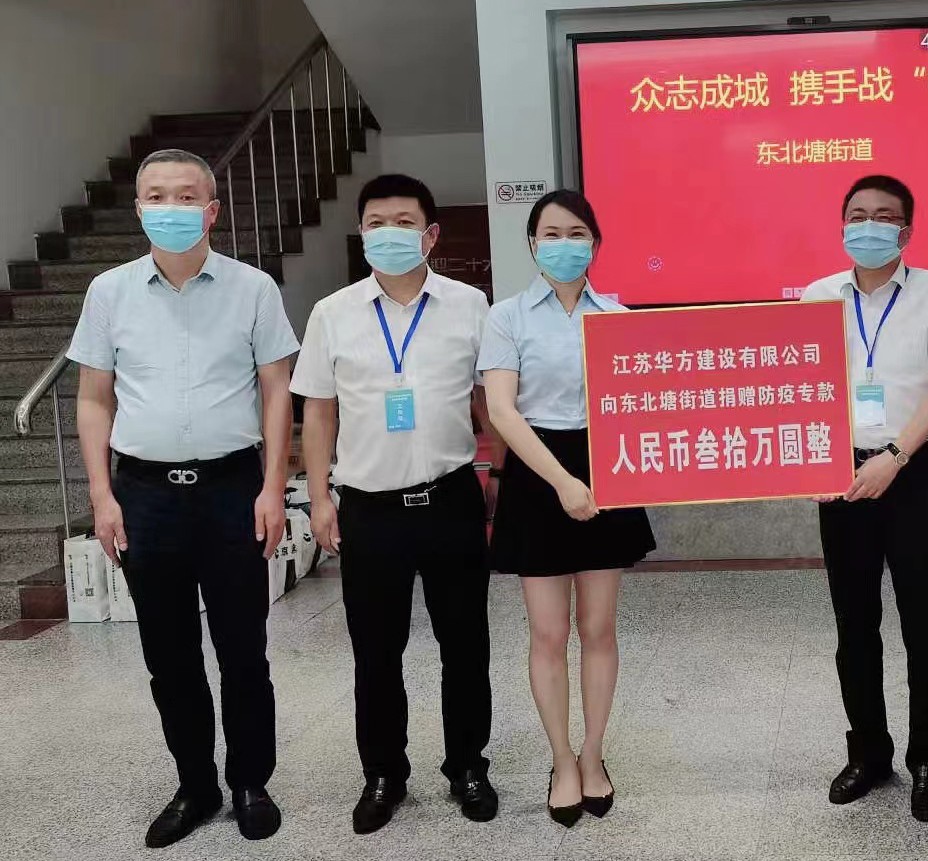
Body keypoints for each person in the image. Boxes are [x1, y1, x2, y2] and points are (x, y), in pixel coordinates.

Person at [69, 148, 298, 848]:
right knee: (169, 655)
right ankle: (195, 784)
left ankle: (250, 781)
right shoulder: (108, 292)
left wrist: (272, 486)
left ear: (212, 210)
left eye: (187, 196)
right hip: (144, 494)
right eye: (158, 196)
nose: (172, 208)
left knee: (243, 649)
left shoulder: (253, 288)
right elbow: (93, 397)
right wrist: (102, 495)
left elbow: (276, 390)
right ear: (140, 209)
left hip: (232, 488)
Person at [290, 174, 500, 834]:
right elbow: (317, 413)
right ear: (361, 234)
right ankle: (383, 774)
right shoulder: (332, 313)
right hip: (369, 508)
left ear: (430, 235)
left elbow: (490, 399)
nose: (389, 233)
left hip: (451, 498)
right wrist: (319, 496)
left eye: (404, 222)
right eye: (376, 222)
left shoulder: (470, 305)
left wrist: (501, 468)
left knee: (465, 645)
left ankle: (467, 766)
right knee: (375, 652)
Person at [478, 189, 656, 828]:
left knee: (599, 628)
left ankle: (594, 753)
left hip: (608, 464)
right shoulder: (507, 317)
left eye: (576, 233)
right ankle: (560, 760)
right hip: (538, 472)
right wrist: (561, 482)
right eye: (550, 234)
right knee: (549, 633)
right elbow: (502, 411)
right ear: (532, 245)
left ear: (596, 244)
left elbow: (643, 400)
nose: (564, 244)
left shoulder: (618, 314)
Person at [800, 175, 928, 823]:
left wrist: (895, 456)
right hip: (839, 474)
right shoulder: (818, 296)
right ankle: (868, 754)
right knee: (854, 625)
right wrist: (809, 460)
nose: (868, 225)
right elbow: (798, 385)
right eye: (857, 214)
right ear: (841, 224)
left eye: (884, 216)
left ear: (906, 230)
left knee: (925, 623)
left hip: (912, 471)